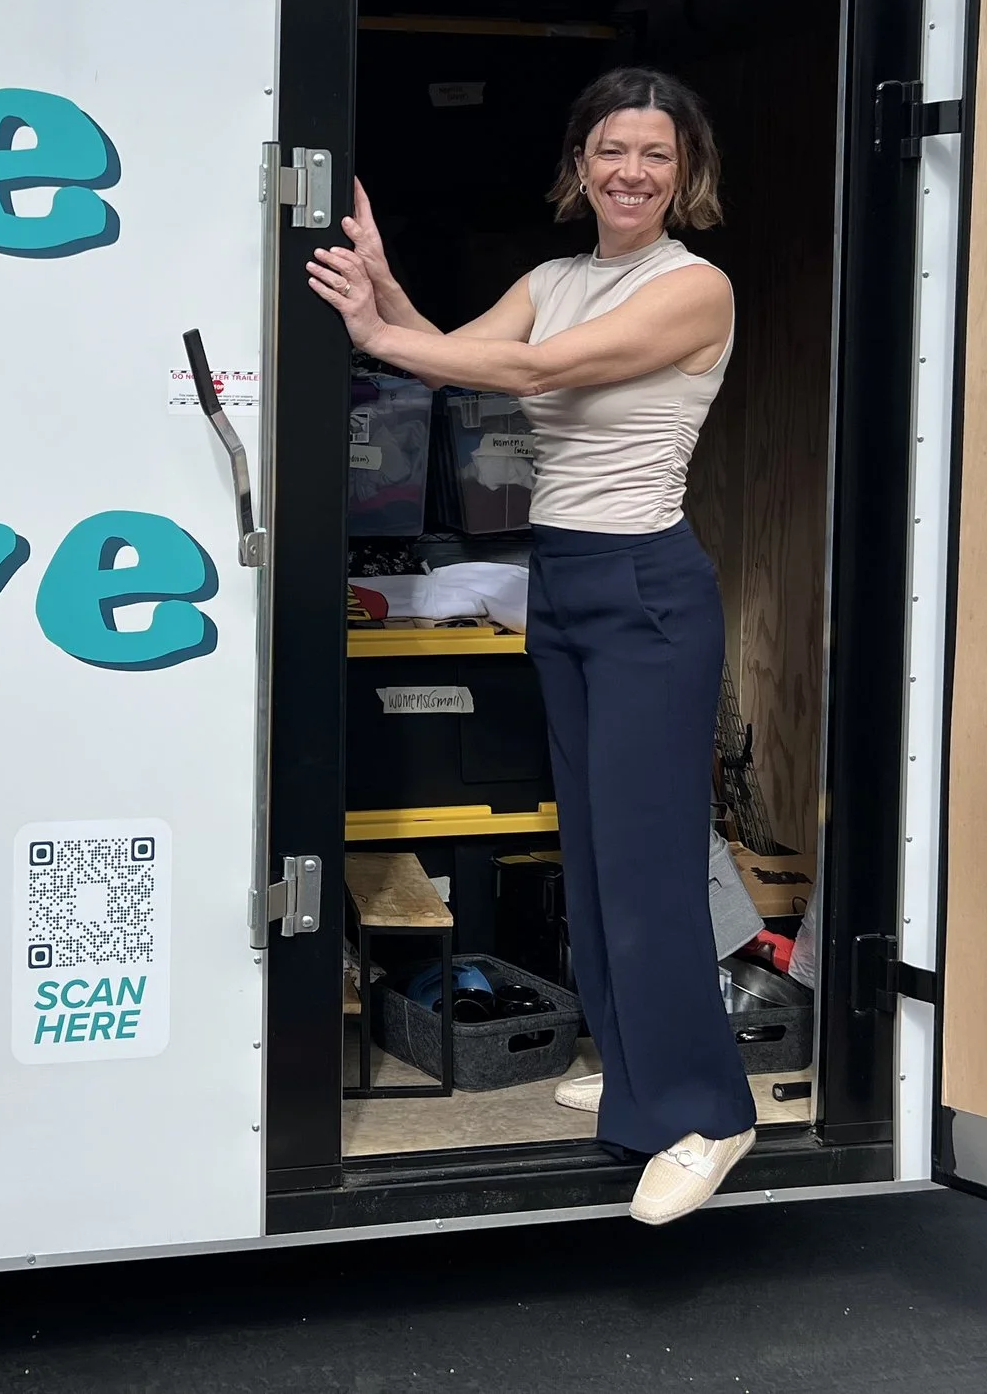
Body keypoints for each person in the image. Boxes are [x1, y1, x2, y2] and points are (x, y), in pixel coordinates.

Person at [307, 65, 755, 1227]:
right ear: (580, 164)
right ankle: (639, 1068)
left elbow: (534, 371)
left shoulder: (691, 287)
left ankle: (706, 1112)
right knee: (594, 849)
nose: (631, 171)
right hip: (557, 580)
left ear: (685, 175)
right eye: (612, 149)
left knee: (649, 861)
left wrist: (377, 327)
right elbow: (448, 355)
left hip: (644, 586)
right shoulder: (552, 280)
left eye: (656, 154)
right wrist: (384, 286)